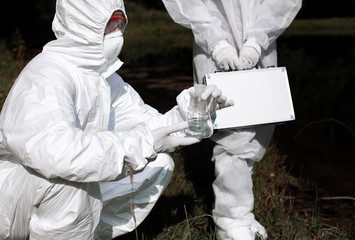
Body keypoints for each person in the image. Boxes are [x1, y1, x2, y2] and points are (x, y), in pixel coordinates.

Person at [0, 0, 234, 239]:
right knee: (70, 181)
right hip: (13, 198)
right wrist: (142, 144)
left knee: (156, 164)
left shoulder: (102, 78)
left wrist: (192, 111)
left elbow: (148, 127)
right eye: (109, 25)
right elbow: (56, 154)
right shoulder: (47, 75)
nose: (117, 35)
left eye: (121, 25)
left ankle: (86, 233)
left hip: (48, 189)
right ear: (82, 24)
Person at [162, 0, 302, 239]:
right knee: (233, 135)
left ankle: (242, 213)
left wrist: (257, 41)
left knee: (258, 127)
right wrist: (217, 44)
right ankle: (231, 220)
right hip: (215, 48)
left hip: (262, 47)